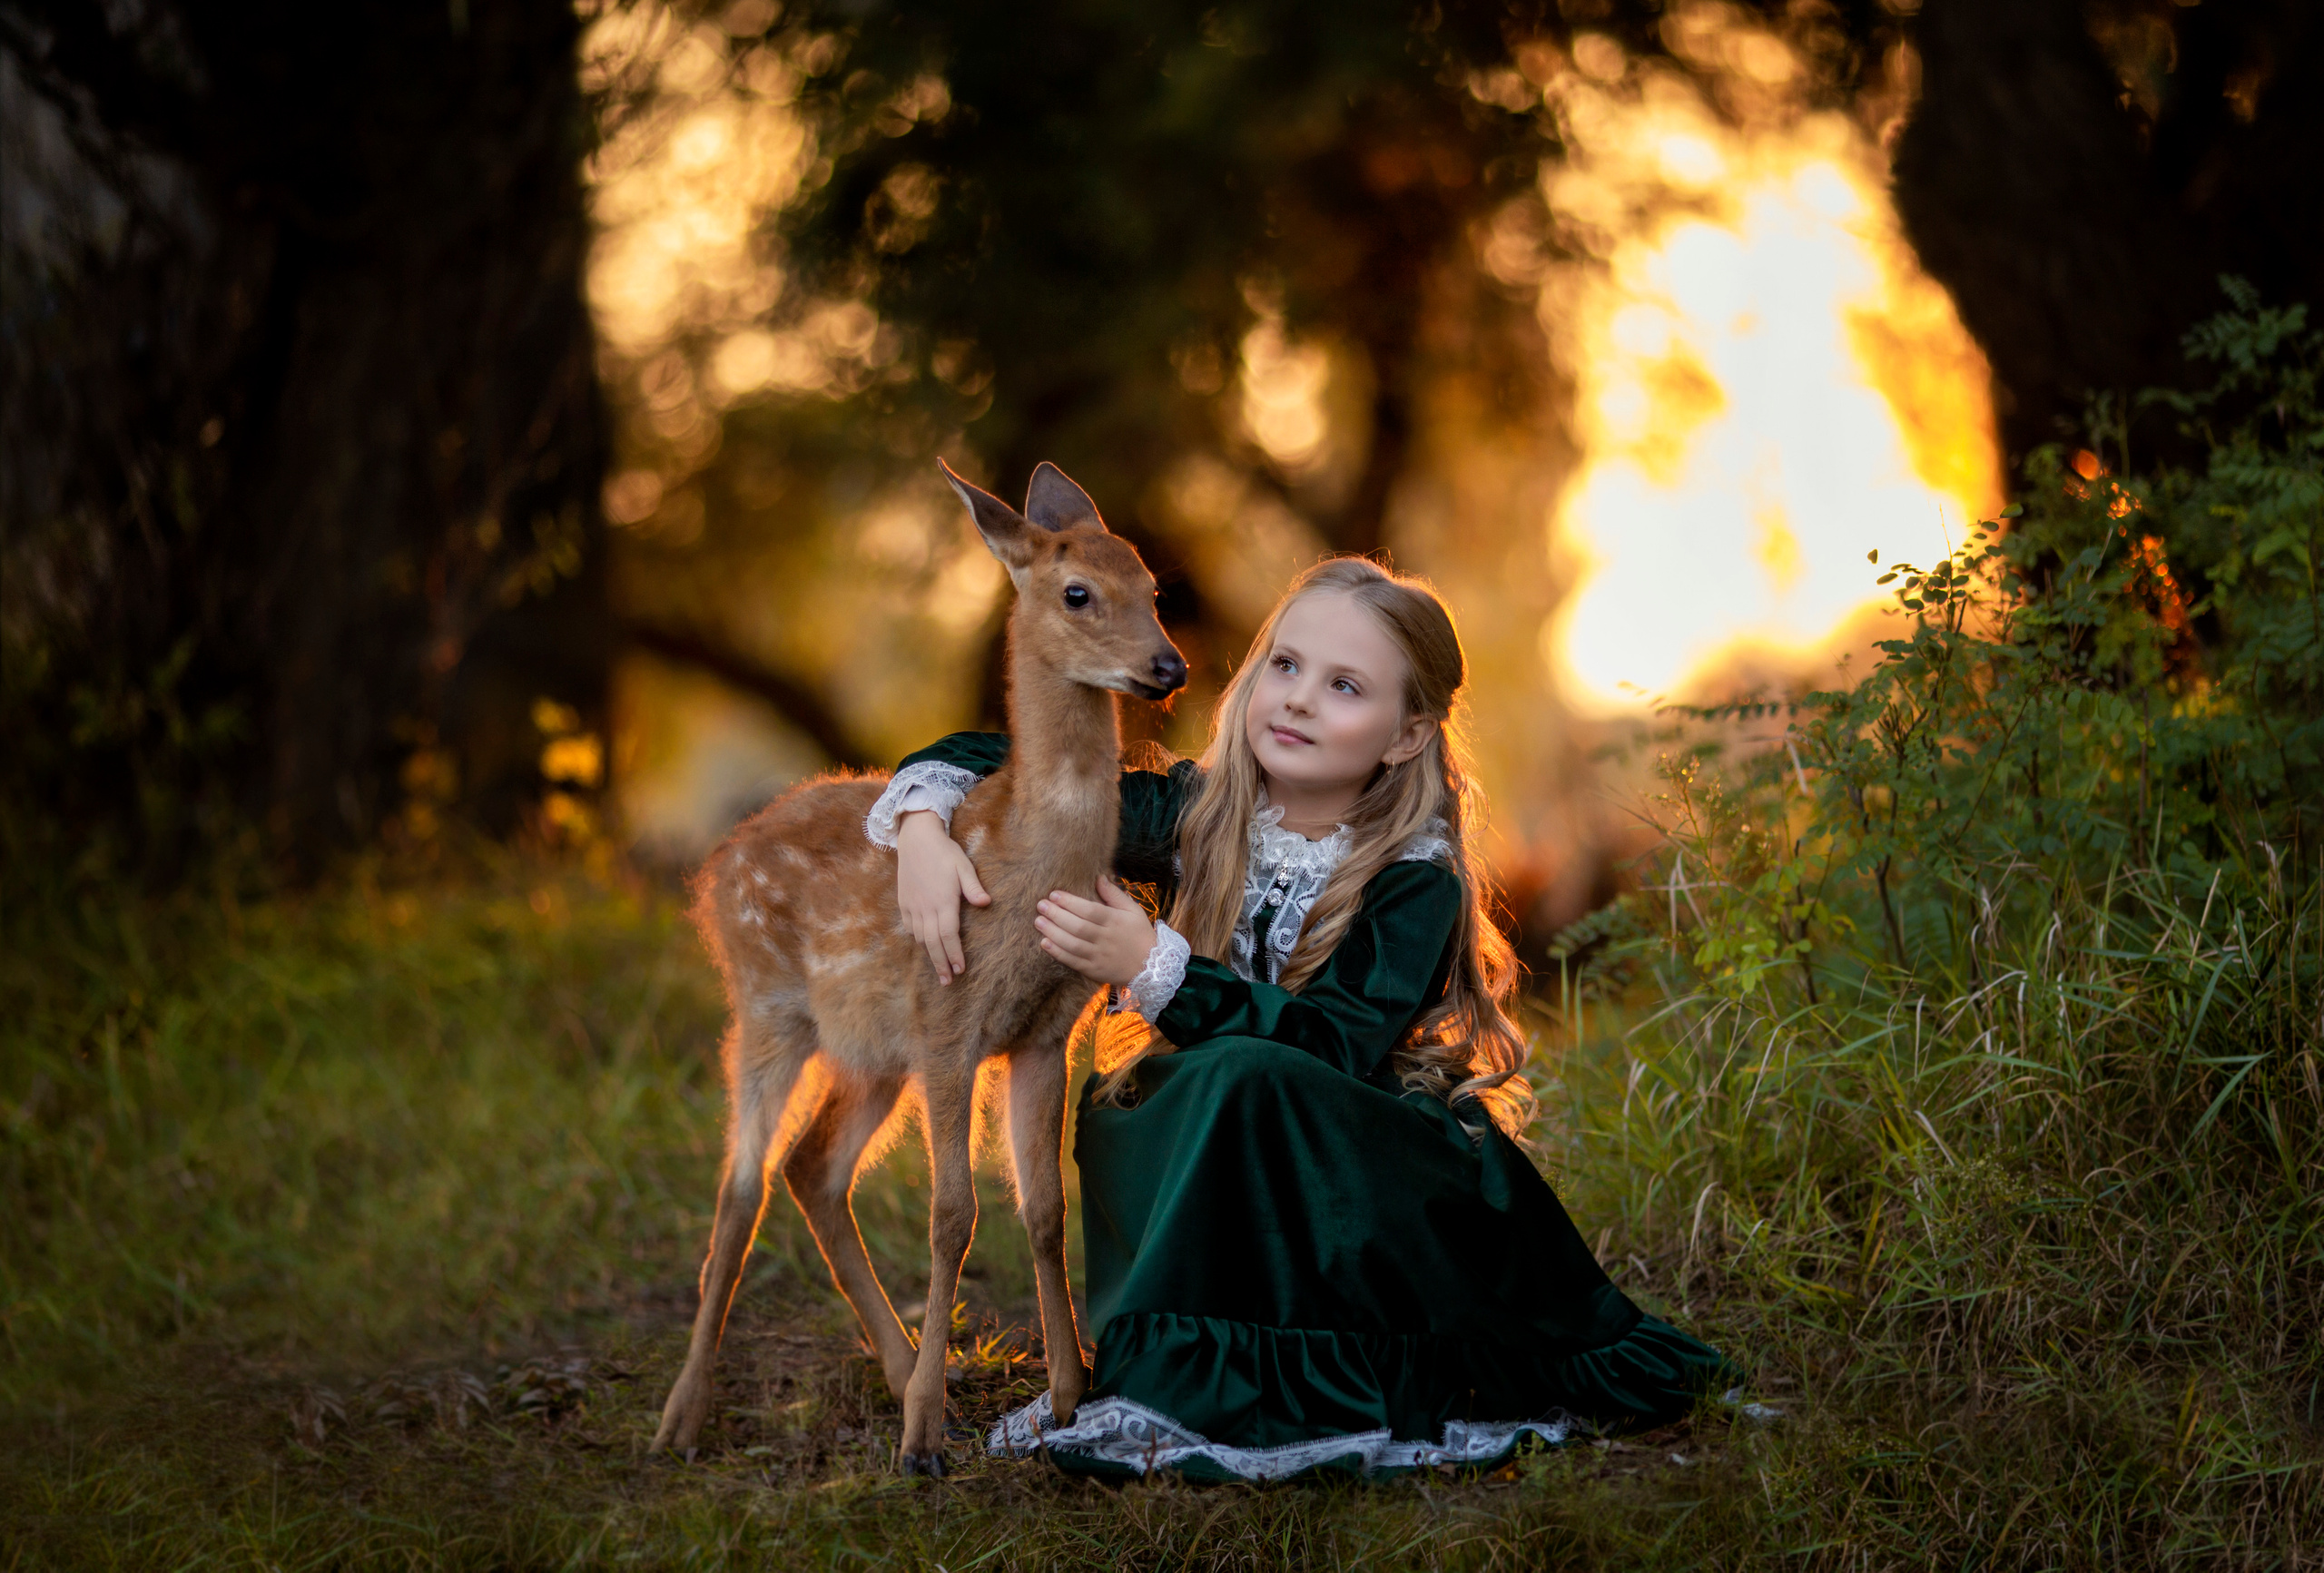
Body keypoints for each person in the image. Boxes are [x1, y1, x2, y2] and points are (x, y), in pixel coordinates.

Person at [861, 557, 1737, 1480]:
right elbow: (996, 757)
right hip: (1219, 1129)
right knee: (1148, 1094)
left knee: (1239, 1074)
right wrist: (921, 823)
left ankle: (1296, 1374)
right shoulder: (1197, 813)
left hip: (1355, 1165)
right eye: (1285, 665)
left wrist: (1151, 965)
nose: (1300, 700)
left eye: (1344, 685)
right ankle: (1175, 1369)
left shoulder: (1413, 875)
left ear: (1405, 735)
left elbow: (1332, 1042)